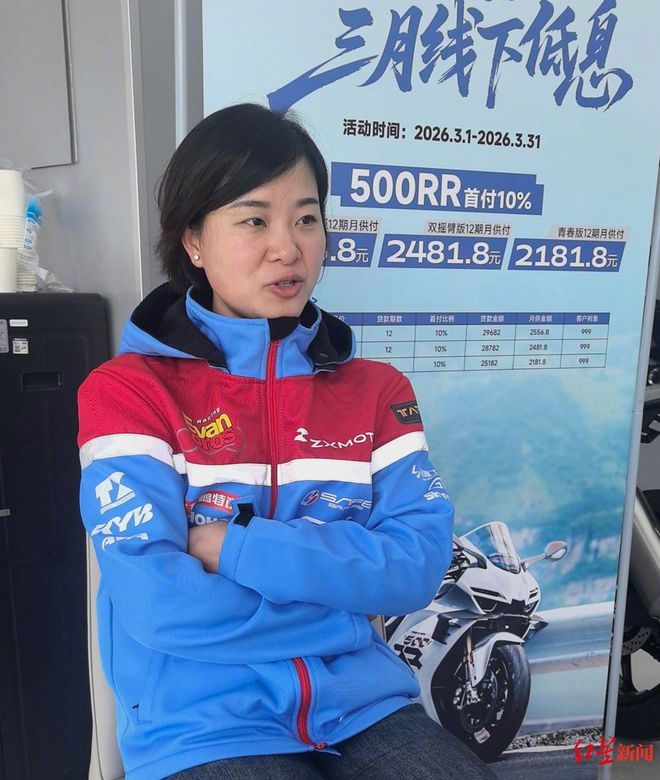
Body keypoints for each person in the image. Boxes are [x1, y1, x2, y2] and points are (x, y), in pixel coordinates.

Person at [78, 103, 498, 780]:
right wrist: (343, 613)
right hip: (203, 724)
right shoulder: (128, 391)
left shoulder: (376, 389)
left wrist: (236, 548)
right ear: (193, 242)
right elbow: (159, 605)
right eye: (254, 220)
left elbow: (415, 569)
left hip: (363, 706)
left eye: (306, 218)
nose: (288, 247)